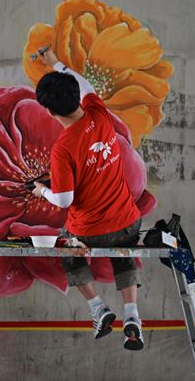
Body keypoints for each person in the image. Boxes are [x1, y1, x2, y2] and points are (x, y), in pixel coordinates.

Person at [31, 47, 144, 350]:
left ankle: (98, 308)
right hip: (128, 224)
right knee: (123, 247)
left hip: (89, 232)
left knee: (68, 248)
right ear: (76, 97)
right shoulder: (99, 113)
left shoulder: (63, 147)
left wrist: (42, 190)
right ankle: (132, 315)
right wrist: (55, 62)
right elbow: (85, 84)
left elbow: (65, 201)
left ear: (49, 112)